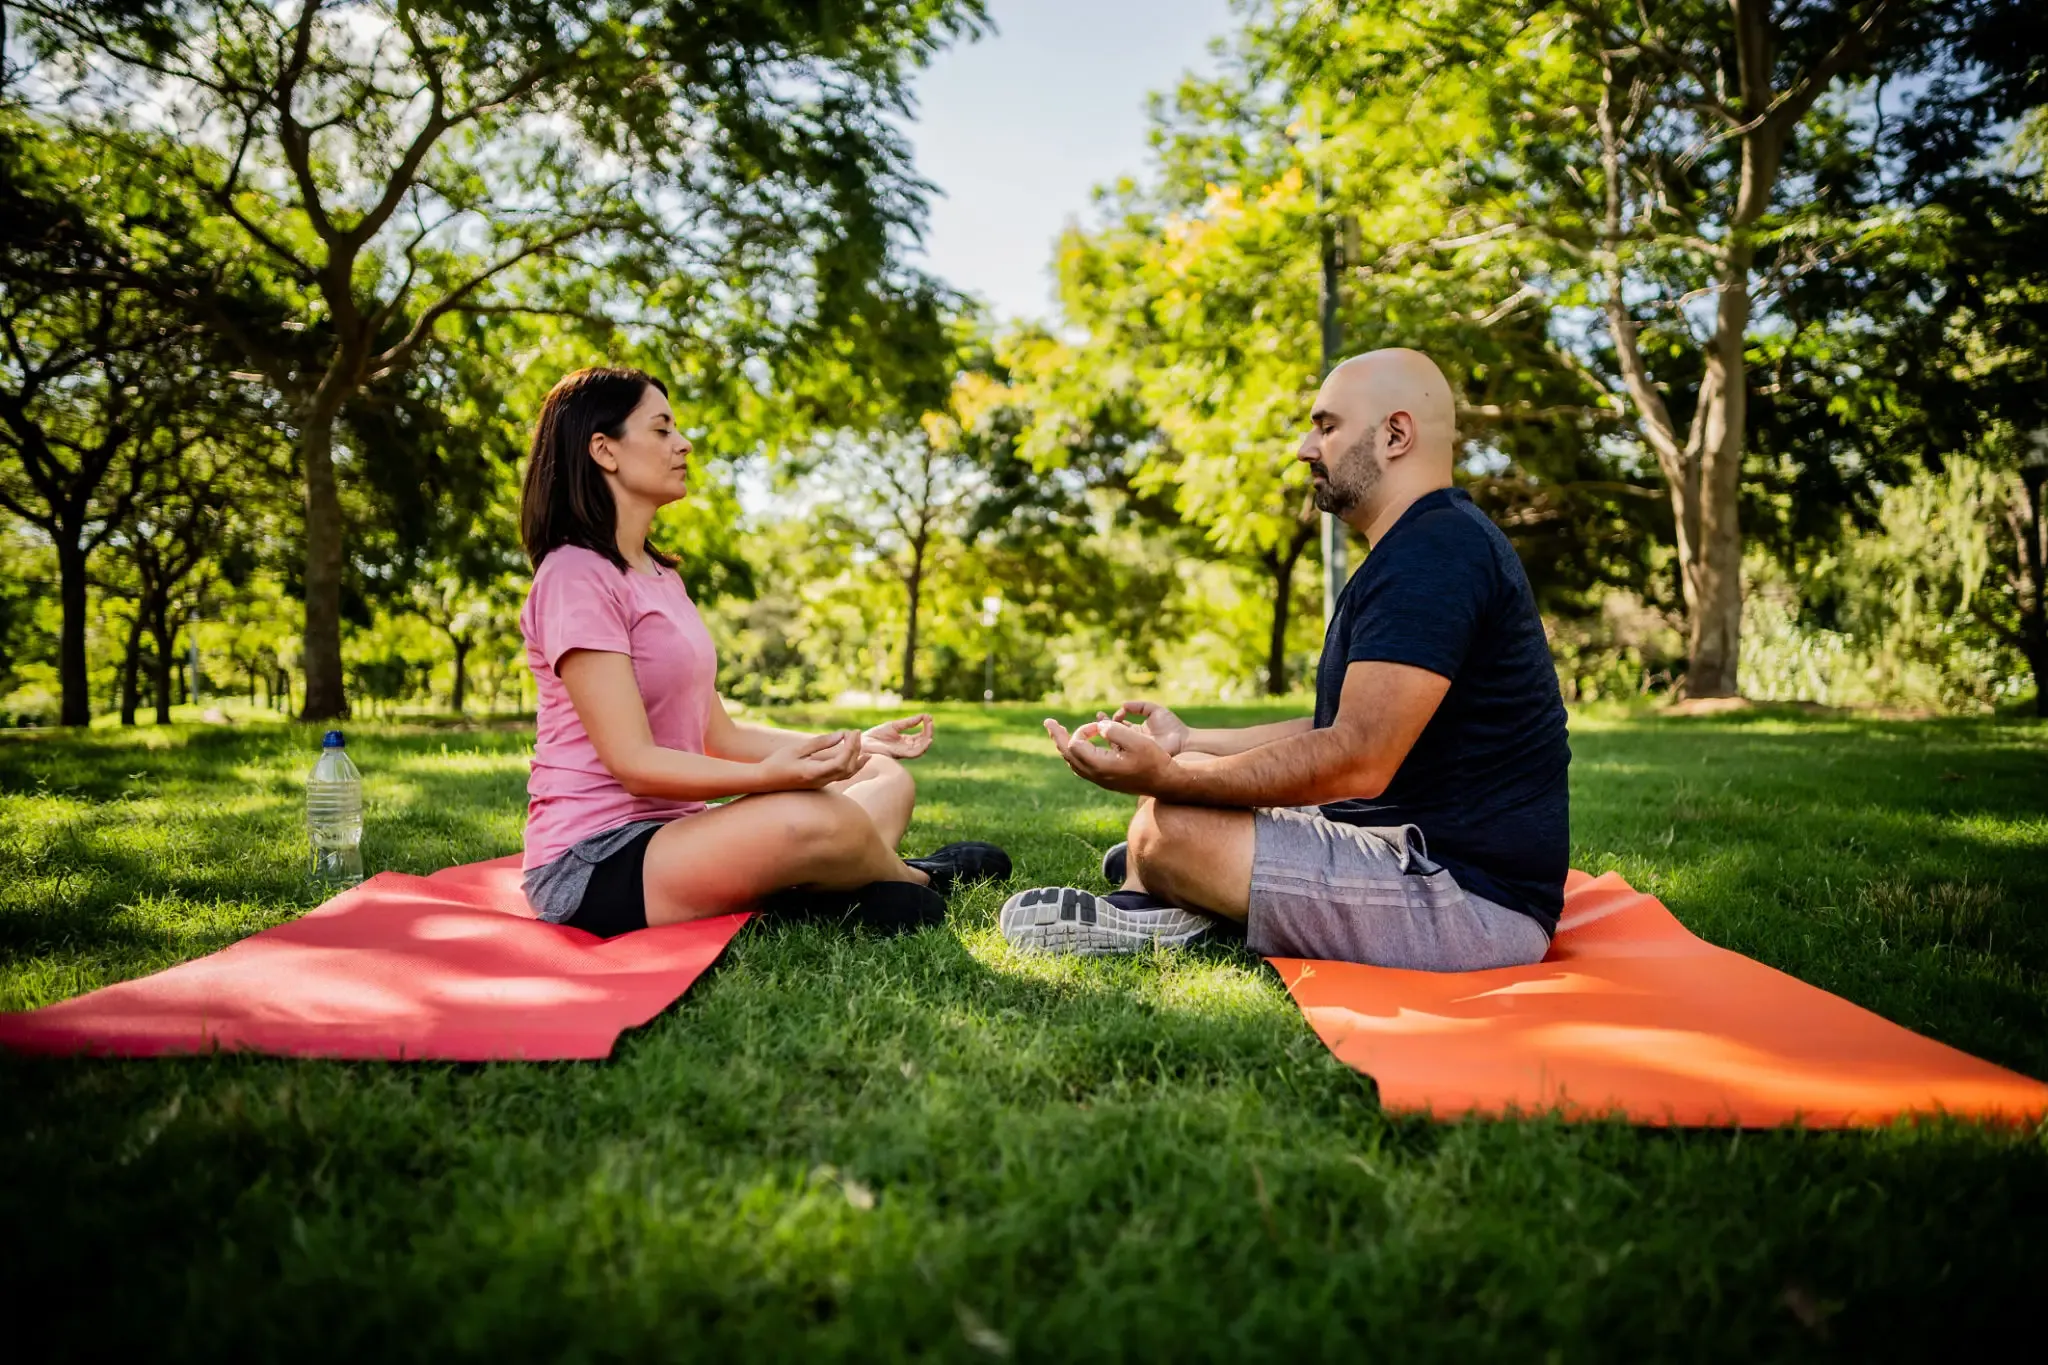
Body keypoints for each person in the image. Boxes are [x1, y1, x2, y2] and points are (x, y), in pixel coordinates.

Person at [1000, 348, 1568, 970]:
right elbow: (1335, 727)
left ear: (1395, 434)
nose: (1305, 448)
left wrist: (1170, 782)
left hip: (1467, 904)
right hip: (1407, 855)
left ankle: (1165, 886)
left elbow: (1359, 756)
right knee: (1181, 790)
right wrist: (1190, 742)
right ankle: (1171, 883)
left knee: (1172, 826)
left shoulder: (1436, 553)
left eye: (1326, 427)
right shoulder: (1421, 543)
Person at [518, 366, 1008, 938]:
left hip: (678, 838)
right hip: (598, 861)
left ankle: (835, 892)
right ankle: (916, 879)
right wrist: (779, 779)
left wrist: (848, 743)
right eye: (662, 429)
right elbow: (634, 764)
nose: (684, 443)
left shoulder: (659, 577)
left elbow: (719, 738)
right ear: (604, 450)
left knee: (883, 776)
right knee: (819, 814)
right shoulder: (574, 575)